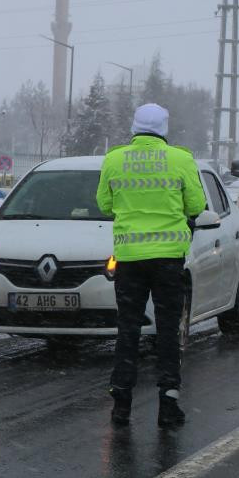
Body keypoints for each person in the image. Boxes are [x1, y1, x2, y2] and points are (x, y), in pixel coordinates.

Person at [96, 103, 207, 427]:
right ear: (164, 128)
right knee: (168, 330)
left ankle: (121, 403)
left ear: (134, 127)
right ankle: (168, 404)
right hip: (168, 261)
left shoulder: (114, 159)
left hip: (130, 259)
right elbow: (197, 204)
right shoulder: (181, 159)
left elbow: (104, 204)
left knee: (128, 330)